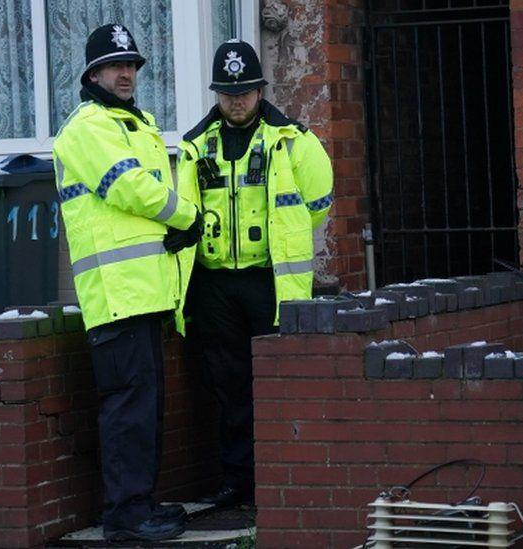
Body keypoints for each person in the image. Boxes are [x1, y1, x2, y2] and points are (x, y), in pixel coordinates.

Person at [52, 24, 202, 542]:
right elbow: (130, 187)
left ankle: (141, 503)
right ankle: (124, 517)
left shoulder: (133, 123)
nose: (126, 73)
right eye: (115, 65)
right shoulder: (88, 127)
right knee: (127, 411)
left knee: (145, 411)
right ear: (93, 73)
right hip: (116, 296)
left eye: (132, 64)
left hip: (145, 291)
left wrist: (176, 227)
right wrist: (186, 216)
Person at [178, 39, 333, 507]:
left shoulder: (289, 139)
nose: (236, 101)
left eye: (244, 91)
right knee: (227, 386)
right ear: (216, 94)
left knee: (273, 379)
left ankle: (277, 478)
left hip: (268, 280)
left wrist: (285, 238)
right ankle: (238, 481)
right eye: (227, 93)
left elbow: (319, 202)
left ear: (260, 90)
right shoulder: (195, 144)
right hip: (214, 284)